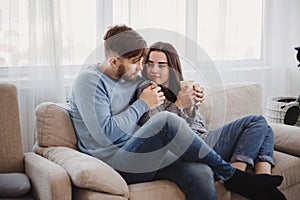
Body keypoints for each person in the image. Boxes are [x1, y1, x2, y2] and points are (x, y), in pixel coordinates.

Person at [69, 25, 284, 200]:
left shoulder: (131, 77)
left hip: (146, 155)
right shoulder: (90, 81)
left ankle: (244, 179)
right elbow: (108, 131)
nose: (142, 68)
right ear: (114, 62)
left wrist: (192, 98)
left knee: (201, 173)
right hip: (118, 163)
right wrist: (143, 104)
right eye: (136, 63)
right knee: (165, 121)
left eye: (141, 61)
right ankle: (232, 175)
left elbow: (162, 85)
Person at [139, 41, 286, 199]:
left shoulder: (178, 88)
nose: (154, 70)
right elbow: (156, 127)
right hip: (188, 148)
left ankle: (262, 177)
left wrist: (191, 107)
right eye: (150, 63)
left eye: (161, 65)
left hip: (203, 139)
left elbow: (198, 125)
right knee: (257, 122)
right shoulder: (148, 88)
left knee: (266, 128)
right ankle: (236, 175)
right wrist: (179, 104)